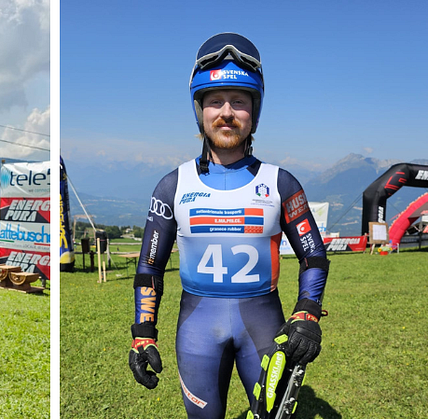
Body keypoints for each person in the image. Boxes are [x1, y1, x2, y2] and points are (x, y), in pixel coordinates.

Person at [128, 33, 329, 418]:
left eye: (239, 101)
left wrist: (307, 313)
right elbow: (150, 268)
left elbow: (313, 257)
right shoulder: (172, 185)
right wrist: (142, 334)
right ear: (199, 110)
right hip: (196, 333)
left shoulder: (281, 183)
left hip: (265, 328)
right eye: (215, 101)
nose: (226, 112)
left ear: (255, 111)